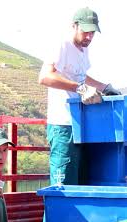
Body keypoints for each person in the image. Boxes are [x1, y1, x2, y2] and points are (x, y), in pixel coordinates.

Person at [39, 7, 121, 187]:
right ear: (74, 26)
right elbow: (45, 76)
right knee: (63, 186)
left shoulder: (84, 50)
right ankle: (54, 216)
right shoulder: (62, 44)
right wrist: (80, 88)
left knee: (81, 184)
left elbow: (81, 76)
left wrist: (104, 87)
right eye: (86, 32)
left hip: (82, 124)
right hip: (63, 125)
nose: (89, 37)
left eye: (92, 33)